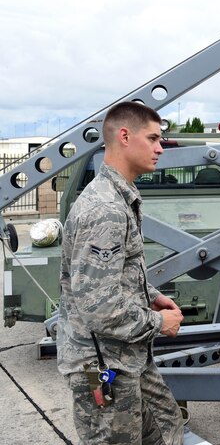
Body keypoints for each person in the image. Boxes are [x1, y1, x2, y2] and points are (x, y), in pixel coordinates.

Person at [56, 101, 185, 444]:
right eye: (154, 138)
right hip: (103, 364)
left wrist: (152, 297)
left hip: (127, 355)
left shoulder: (118, 197)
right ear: (125, 136)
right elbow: (100, 308)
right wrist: (161, 323)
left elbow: (116, 272)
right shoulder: (105, 210)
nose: (160, 148)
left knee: (166, 425)